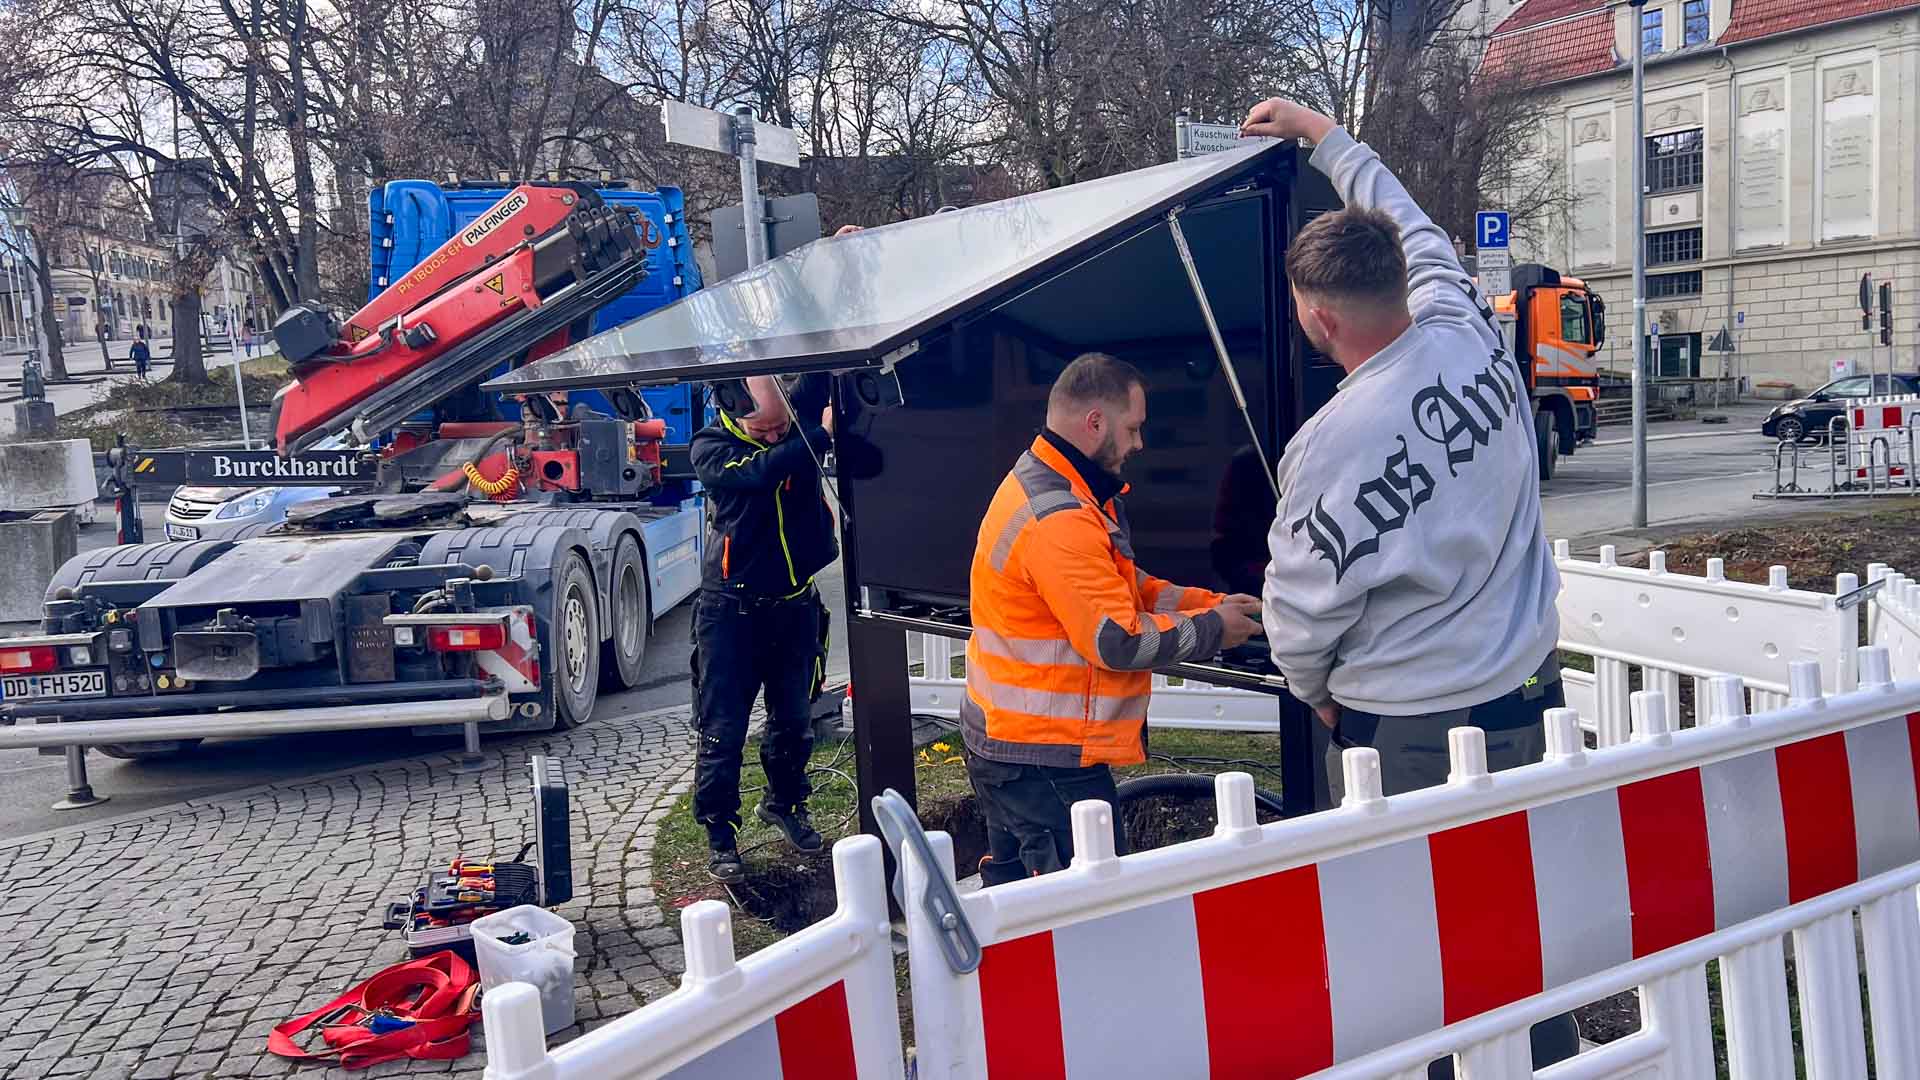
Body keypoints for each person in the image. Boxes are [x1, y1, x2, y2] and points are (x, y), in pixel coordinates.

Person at [1244, 97, 1575, 1074]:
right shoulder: (1464, 321)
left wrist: (1319, 698)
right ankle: (1548, 1061)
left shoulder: (1329, 447)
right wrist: (1327, 135)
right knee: (1523, 925)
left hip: (1411, 726)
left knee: (1423, 942)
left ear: (1316, 318)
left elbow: (1299, 615)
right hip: (1529, 690)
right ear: (1399, 275)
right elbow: (1415, 219)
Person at [962, 353, 1261, 884]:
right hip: (1044, 759)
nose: (1140, 444)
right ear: (1095, 422)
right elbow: (1117, 639)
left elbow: (1126, 589)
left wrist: (1210, 604)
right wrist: (1216, 631)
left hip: (1017, 745)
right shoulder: (1060, 517)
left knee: (1017, 902)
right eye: (1133, 428)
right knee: (1078, 913)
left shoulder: (1057, 487)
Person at [687, 375, 837, 883]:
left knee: (794, 719)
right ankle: (720, 835)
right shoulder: (711, 447)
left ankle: (786, 805)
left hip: (794, 605)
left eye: (783, 428)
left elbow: (824, 370)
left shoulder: (792, 419)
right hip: (731, 612)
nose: (778, 438)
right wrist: (816, 437)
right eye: (767, 430)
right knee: (721, 730)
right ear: (734, 410)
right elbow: (762, 472)